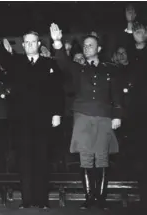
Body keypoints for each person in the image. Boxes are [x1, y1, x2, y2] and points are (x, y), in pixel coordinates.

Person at [0, 23, 64, 209]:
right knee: (24, 160)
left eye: (32, 42)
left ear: (38, 44)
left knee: (42, 159)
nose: (29, 45)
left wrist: (57, 113)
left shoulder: (49, 63)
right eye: (26, 42)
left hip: (44, 118)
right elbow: (2, 57)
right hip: (21, 120)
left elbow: (57, 91)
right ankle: (27, 200)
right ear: (23, 45)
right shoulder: (17, 62)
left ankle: (42, 200)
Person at [50, 23, 122, 210]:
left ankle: (101, 199)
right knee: (86, 158)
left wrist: (117, 115)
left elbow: (116, 95)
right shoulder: (78, 69)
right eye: (85, 45)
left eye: (91, 45)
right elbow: (63, 62)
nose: (87, 48)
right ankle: (89, 198)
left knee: (102, 158)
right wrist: (57, 42)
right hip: (82, 117)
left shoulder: (109, 69)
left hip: (104, 117)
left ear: (99, 49)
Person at [122, 21, 147, 211]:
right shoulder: (131, 56)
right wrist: (129, 26)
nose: (139, 33)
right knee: (140, 157)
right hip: (137, 114)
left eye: (142, 31)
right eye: (136, 31)